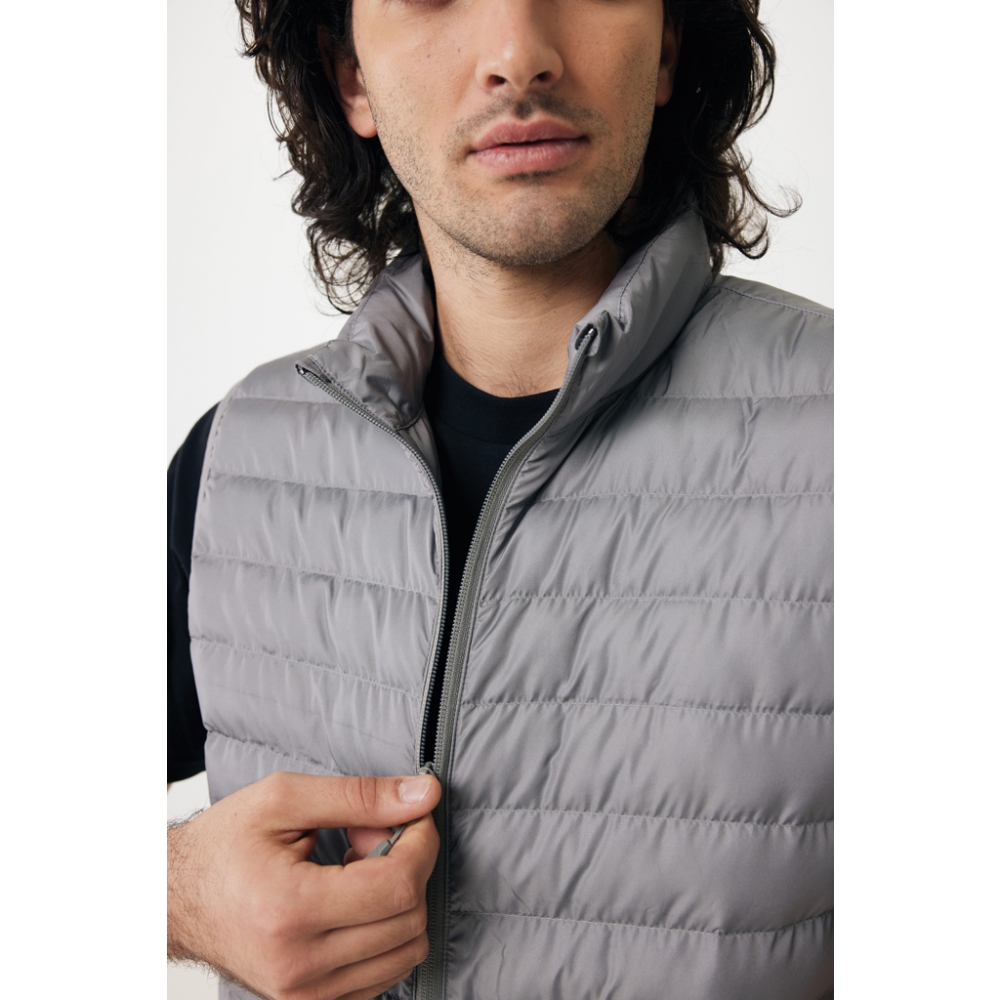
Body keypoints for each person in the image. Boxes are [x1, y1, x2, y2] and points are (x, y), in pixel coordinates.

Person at [167, 0, 833, 996]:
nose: (520, 55)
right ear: (350, 76)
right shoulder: (237, 459)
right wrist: (176, 890)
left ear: (667, 46)